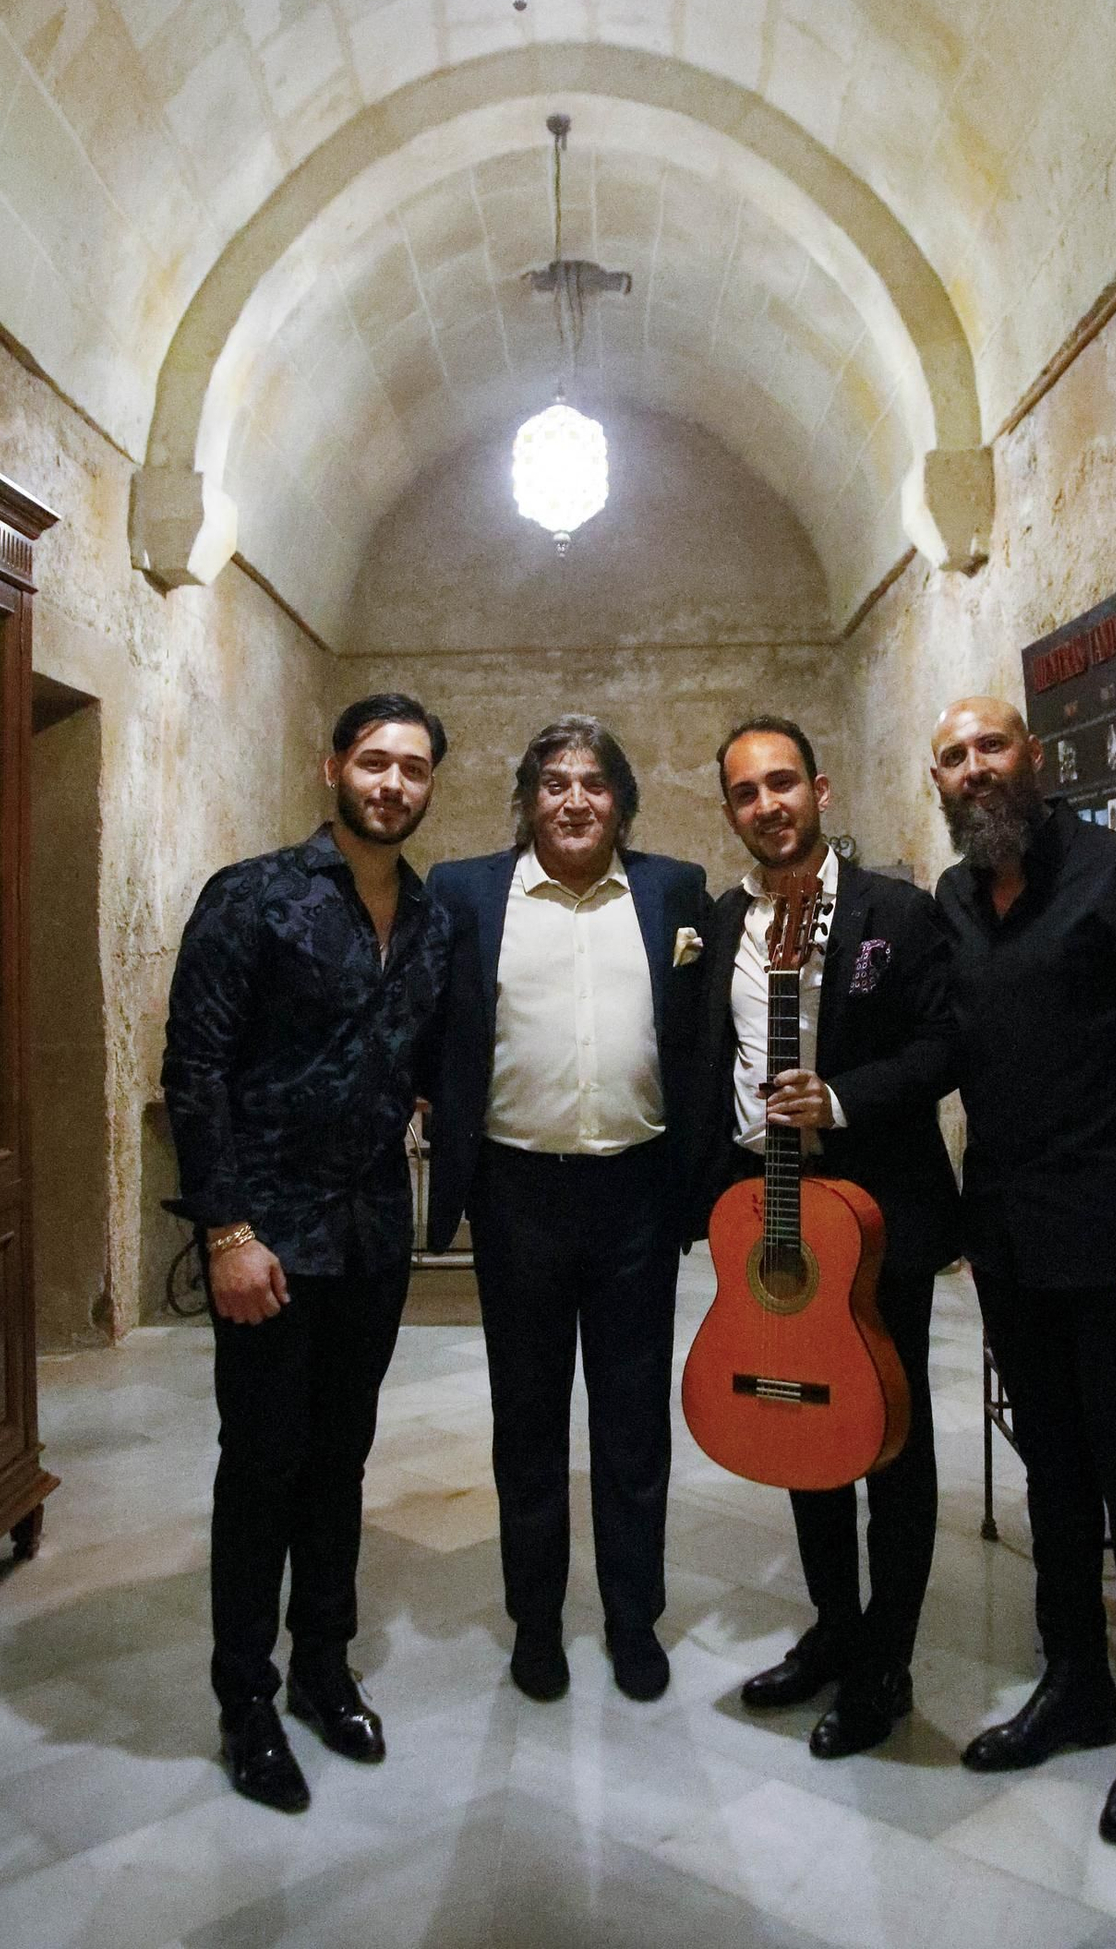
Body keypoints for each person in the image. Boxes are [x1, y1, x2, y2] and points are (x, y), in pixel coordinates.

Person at [931, 696, 1116, 1849]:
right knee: (1050, 1470)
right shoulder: (956, 902)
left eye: (989, 748)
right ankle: (1075, 1683)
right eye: (952, 759)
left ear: (1033, 759)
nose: (973, 770)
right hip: (1009, 1240)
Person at [162, 693, 452, 1813]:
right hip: (269, 1240)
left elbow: (420, 1051)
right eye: (374, 762)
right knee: (262, 1468)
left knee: (341, 1465)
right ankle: (245, 1699)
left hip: (372, 1235)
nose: (392, 784)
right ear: (331, 766)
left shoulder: (429, 920)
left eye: (413, 769)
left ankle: (325, 1669)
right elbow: (195, 1070)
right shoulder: (253, 897)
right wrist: (227, 1231)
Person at [426, 716, 710, 1704]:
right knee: (528, 1423)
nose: (574, 800)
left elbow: (703, 1036)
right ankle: (535, 1625)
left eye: (594, 784)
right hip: (517, 1195)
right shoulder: (465, 893)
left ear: (623, 804)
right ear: (527, 800)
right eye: (553, 783)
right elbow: (426, 1017)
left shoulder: (675, 893)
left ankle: (635, 1624)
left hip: (637, 1190)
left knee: (634, 1425)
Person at [692, 719, 958, 1758]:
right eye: (747, 792)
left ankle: (885, 1657)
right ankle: (832, 1630)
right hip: (770, 1207)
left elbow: (944, 1044)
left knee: (888, 1432)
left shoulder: (898, 911)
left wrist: (841, 1100)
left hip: (876, 1210)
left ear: (822, 789)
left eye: (783, 783)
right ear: (731, 812)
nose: (768, 805)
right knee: (798, 1417)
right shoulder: (720, 925)